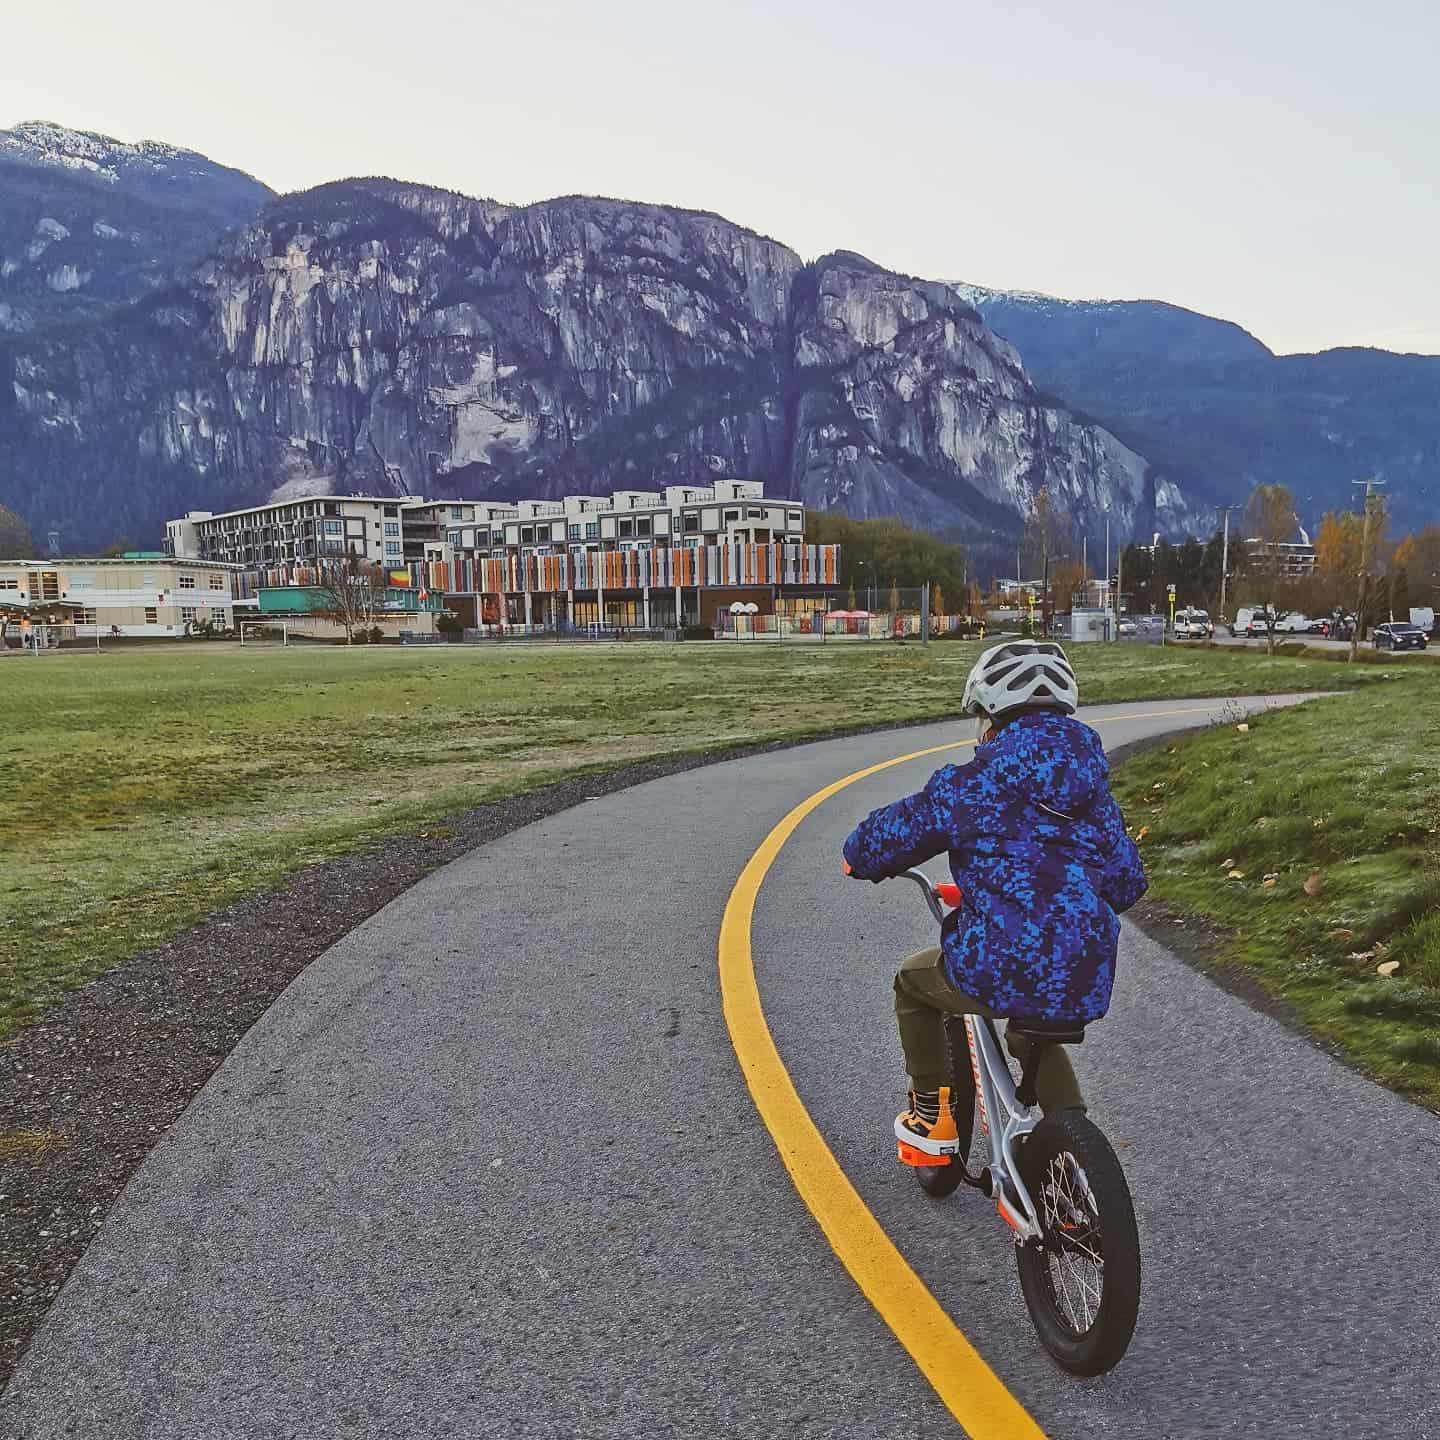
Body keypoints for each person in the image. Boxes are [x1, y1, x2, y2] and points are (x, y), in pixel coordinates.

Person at [842, 640, 1147, 1162]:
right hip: (1086, 966)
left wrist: (858, 858)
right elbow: (1124, 884)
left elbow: (886, 838)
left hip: (997, 961)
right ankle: (1073, 1156)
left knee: (913, 983)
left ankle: (930, 1116)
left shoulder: (972, 784)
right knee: (1039, 1018)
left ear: (993, 716)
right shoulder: (1094, 791)